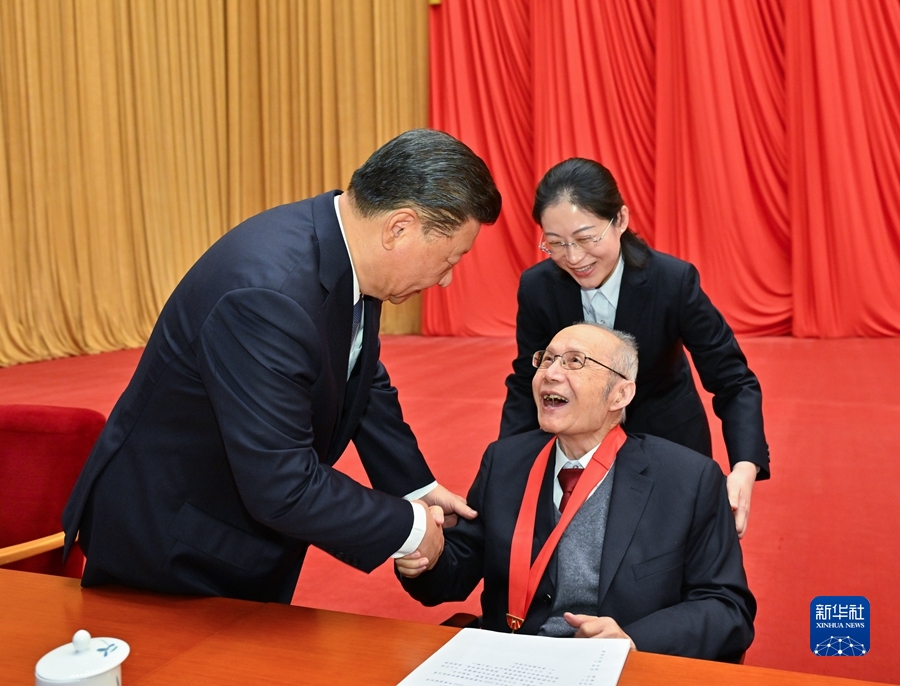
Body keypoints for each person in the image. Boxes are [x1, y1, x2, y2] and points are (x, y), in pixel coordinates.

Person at [62, 129, 502, 603]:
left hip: (230, 528)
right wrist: (409, 527)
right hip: (175, 544)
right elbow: (282, 484)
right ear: (400, 227)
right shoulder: (269, 295)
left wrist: (414, 487)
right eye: (450, 258)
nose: (446, 279)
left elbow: (358, 372)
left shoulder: (347, 251)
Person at [399, 323, 755, 663]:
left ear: (620, 394)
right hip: (512, 661)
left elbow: (728, 608)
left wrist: (634, 640)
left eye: (574, 361)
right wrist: (424, 552)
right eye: (547, 359)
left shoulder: (686, 479)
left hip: (620, 669)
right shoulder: (506, 462)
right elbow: (453, 574)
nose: (551, 373)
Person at [499, 158, 769, 537]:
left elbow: (733, 380)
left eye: (586, 238)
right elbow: (527, 381)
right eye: (556, 243)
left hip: (666, 438)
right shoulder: (538, 288)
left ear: (620, 220)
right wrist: (507, 468)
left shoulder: (672, 281)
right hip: (576, 447)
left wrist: (744, 466)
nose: (573, 258)